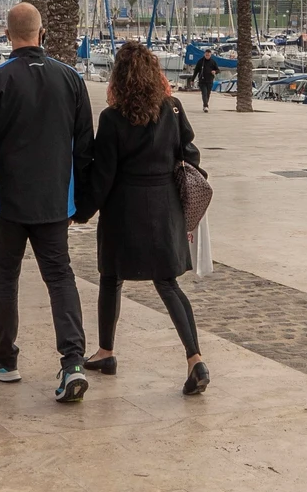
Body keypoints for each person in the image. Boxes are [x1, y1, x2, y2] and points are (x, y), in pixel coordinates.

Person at [0, 2, 93, 403]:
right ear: (41, 32)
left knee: (5, 278)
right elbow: (84, 147)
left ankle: (5, 359)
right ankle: (72, 363)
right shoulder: (71, 79)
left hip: (6, 203)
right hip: (55, 203)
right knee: (60, 277)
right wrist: (79, 204)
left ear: (7, 32)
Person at [74, 43, 209, 396]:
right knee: (167, 284)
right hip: (165, 207)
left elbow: (102, 176)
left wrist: (81, 212)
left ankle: (106, 352)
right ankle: (196, 359)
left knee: (110, 278)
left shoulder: (112, 118)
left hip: (124, 209)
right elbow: (190, 156)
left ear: (119, 78)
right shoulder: (173, 109)